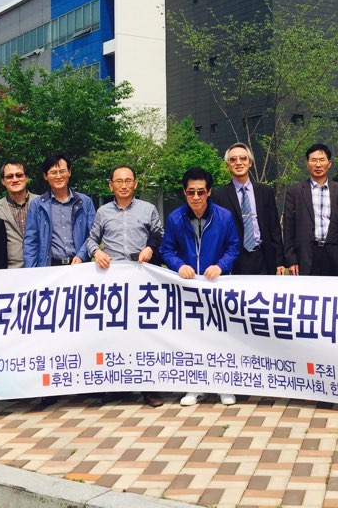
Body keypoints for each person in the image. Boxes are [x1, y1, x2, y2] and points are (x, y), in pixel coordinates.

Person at [84, 165, 165, 409]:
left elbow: (159, 234)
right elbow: (91, 239)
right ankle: (117, 385)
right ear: (111, 185)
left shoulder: (148, 209)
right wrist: (96, 252)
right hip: (114, 280)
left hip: (142, 277)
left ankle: (149, 388)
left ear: (135, 183)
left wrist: (150, 248)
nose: (124, 185)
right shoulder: (103, 212)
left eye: (128, 180)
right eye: (118, 181)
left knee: (145, 333)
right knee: (116, 332)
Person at [160, 167, 240, 406]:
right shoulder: (175, 218)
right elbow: (166, 249)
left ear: (209, 192)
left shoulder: (224, 217)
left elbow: (233, 247)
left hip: (217, 286)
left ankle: (224, 385)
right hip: (188, 288)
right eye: (191, 192)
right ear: (184, 192)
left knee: (220, 337)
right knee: (193, 338)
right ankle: (195, 386)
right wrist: (179, 265)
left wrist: (220, 266)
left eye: (201, 192)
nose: (196, 197)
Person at [211, 143, 284, 275]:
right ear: (227, 165)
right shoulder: (219, 195)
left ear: (250, 162)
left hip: (264, 257)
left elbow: (274, 228)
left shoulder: (265, 192)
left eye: (243, 158)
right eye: (233, 160)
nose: (238, 163)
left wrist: (279, 261)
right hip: (235, 261)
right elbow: (217, 233)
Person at [282, 143, 338, 276]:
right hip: (306, 254)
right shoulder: (295, 192)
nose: (318, 165)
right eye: (314, 160)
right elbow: (288, 228)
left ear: (329, 163)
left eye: (322, 160)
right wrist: (291, 260)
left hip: (334, 253)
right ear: (307, 163)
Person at [23, 154, 96, 268]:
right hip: (49, 267)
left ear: (69, 172)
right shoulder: (37, 205)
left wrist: (81, 256)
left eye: (62, 171)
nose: (58, 176)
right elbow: (31, 241)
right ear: (45, 176)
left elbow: (93, 234)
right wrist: (30, 271)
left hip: (79, 266)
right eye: (53, 172)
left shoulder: (85, 202)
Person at [0, 161, 31, 269]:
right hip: (9, 271)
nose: (15, 179)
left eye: (19, 175)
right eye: (9, 176)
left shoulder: (43, 203)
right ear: (3, 181)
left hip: (43, 269)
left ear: (27, 178)